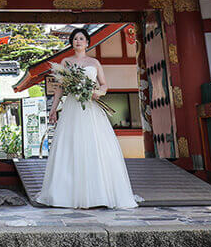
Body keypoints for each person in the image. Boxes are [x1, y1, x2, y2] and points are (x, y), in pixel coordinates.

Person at [35, 27, 138, 209]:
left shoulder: (94, 62)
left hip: (90, 107)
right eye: (75, 39)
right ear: (72, 43)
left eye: (81, 38)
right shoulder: (66, 62)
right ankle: (65, 193)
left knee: (94, 145)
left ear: (87, 42)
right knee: (70, 145)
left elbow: (104, 85)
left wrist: (96, 92)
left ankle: (98, 193)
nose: (78, 41)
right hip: (72, 107)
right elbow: (60, 87)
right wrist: (53, 109)